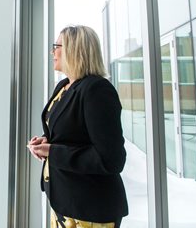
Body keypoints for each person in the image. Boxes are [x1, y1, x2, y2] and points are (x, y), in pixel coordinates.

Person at [27, 25, 128, 228]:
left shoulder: (97, 90)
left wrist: (53, 151)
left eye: (56, 46)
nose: (52, 51)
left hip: (89, 208)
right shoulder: (64, 86)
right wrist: (45, 142)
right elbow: (71, 133)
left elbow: (111, 159)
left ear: (75, 49)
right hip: (65, 202)